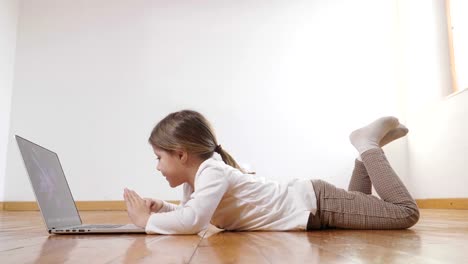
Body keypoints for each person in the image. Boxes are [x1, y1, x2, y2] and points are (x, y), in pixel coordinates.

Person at [123, 110, 419, 234]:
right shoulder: (198, 180)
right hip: (314, 204)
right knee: (359, 201)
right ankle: (366, 155)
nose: (157, 166)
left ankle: (368, 145)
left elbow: (194, 221)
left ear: (181, 154)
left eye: (159, 157)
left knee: (405, 213)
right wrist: (162, 208)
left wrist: (148, 221)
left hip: (317, 204)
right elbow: (193, 212)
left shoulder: (211, 172)